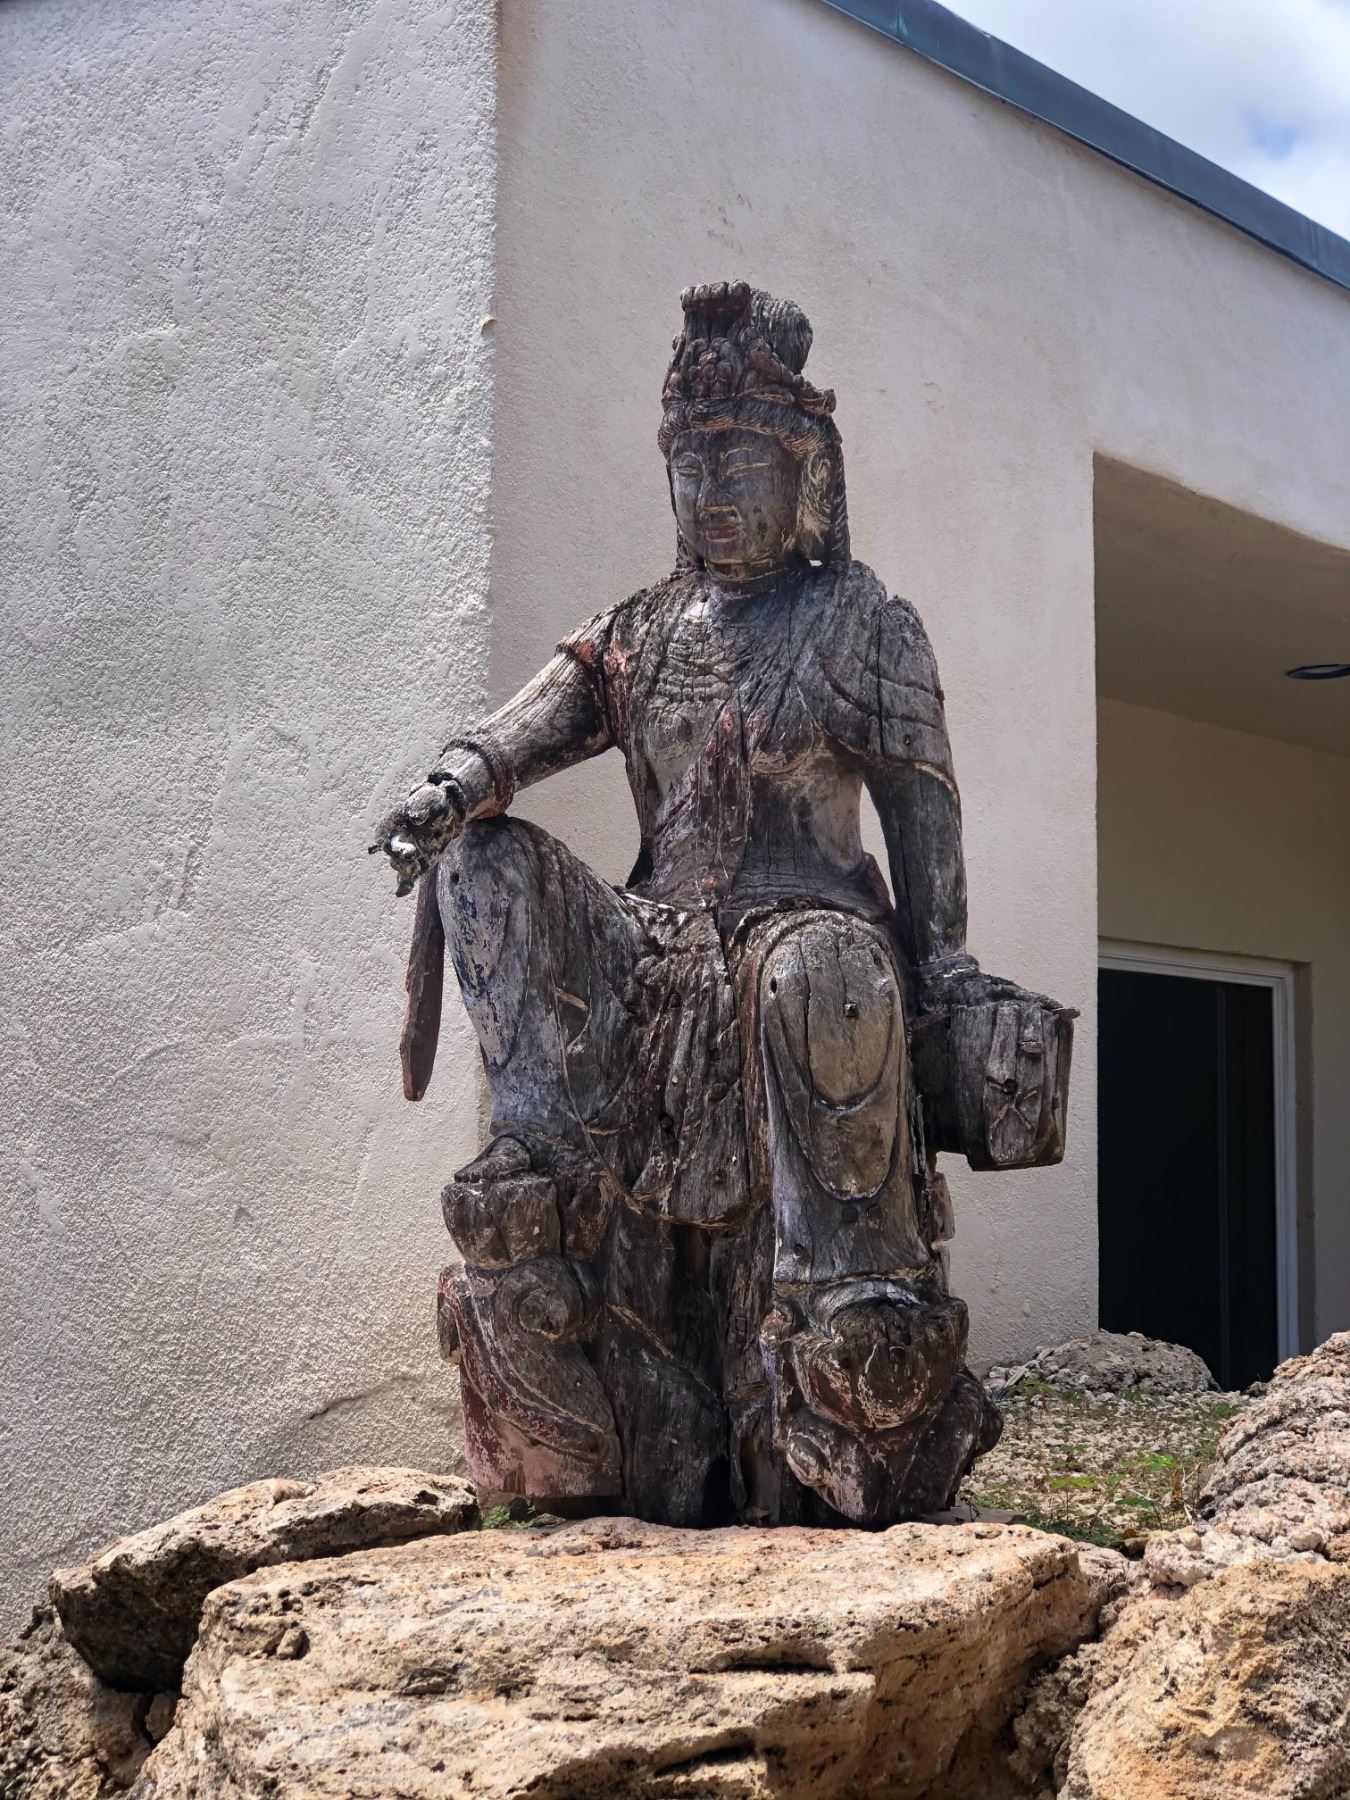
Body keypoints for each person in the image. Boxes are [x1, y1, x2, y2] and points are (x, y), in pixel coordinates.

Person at [372, 283, 1071, 1526]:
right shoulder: (643, 628)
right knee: (484, 861)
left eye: (740, 460)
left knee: (825, 975)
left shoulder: (861, 619)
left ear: (806, 474)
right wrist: (453, 789)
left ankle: (847, 1288)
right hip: (656, 942)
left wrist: (946, 964)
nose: (713, 492)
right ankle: (542, 1157)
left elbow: (924, 817)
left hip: (806, 925)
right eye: (690, 465)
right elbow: (525, 731)